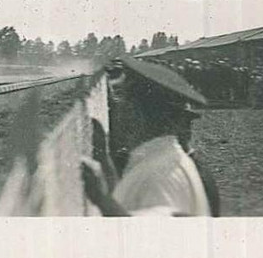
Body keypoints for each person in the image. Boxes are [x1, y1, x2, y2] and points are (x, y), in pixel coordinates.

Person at [82, 58, 215, 217]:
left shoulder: (158, 176)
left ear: (135, 112)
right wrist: (103, 158)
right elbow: (131, 206)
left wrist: (101, 199)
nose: (116, 110)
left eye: (121, 100)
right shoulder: (162, 159)